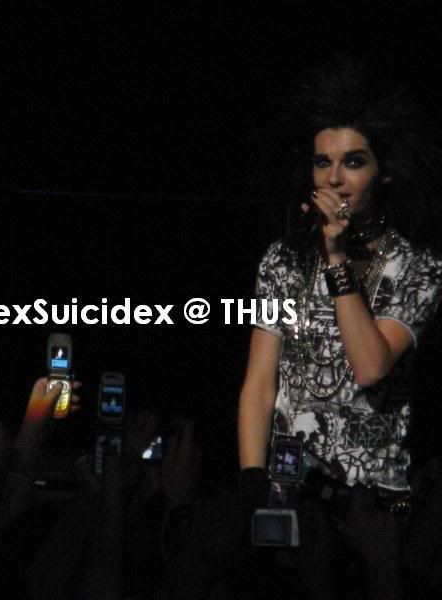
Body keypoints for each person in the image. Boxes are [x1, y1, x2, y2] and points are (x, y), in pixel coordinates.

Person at [238, 57, 442, 596]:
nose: (334, 179)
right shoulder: (283, 261)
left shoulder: (416, 266)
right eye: (322, 162)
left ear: (384, 172)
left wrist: (335, 257)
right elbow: (260, 382)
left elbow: (371, 365)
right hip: (293, 496)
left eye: (353, 162)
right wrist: (252, 480)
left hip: (372, 508)